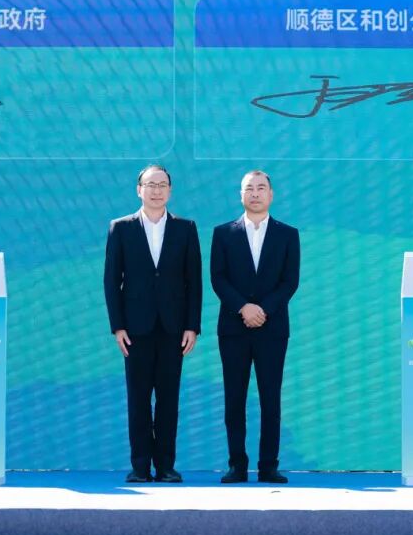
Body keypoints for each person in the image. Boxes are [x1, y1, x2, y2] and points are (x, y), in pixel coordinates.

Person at [104, 165, 202, 483]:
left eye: (162, 185)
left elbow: (194, 281)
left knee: (169, 400)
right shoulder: (120, 228)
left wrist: (192, 326)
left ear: (170, 190)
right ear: (139, 190)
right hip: (135, 329)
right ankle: (140, 467)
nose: (156, 190)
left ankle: (166, 466)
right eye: (150, 184)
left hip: (174, 328)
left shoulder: (186, 228)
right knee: (138, 399)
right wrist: (118, 326)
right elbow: (111, 281)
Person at [210, 170, 300, 484]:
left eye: (262, 188)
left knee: (270, 398)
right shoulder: (224, 233)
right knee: (234, 398)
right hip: (233, 328)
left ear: (271, 195)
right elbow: (218, 277)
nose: (256, 193)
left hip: (272, 328)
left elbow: (290, 281)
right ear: (241, 195)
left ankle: (268, 466)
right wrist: (243, 307)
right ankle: (236, 465)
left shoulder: (288, 234)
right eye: (249, 188)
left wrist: (263, 309)